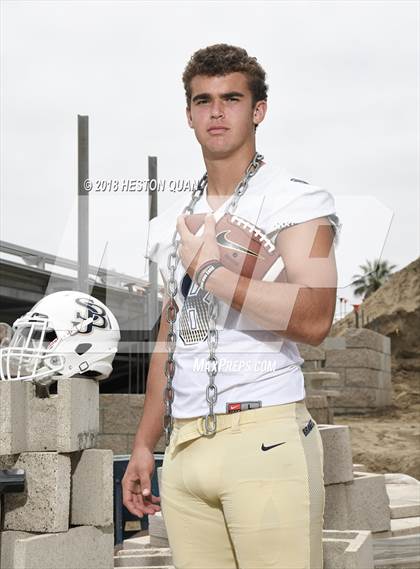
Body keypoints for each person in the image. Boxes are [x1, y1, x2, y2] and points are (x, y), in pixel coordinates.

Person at [122, 43, 341, 569]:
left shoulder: (298, 202)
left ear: (258, 110)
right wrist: (144, 444)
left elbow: (314, 319)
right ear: (189, 114)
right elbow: (170, 341)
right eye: (203, 100)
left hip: (265, 439)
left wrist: (213, 274)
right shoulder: (166, 224)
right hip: (186, 449)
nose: (216, 112)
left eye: (231, 98)